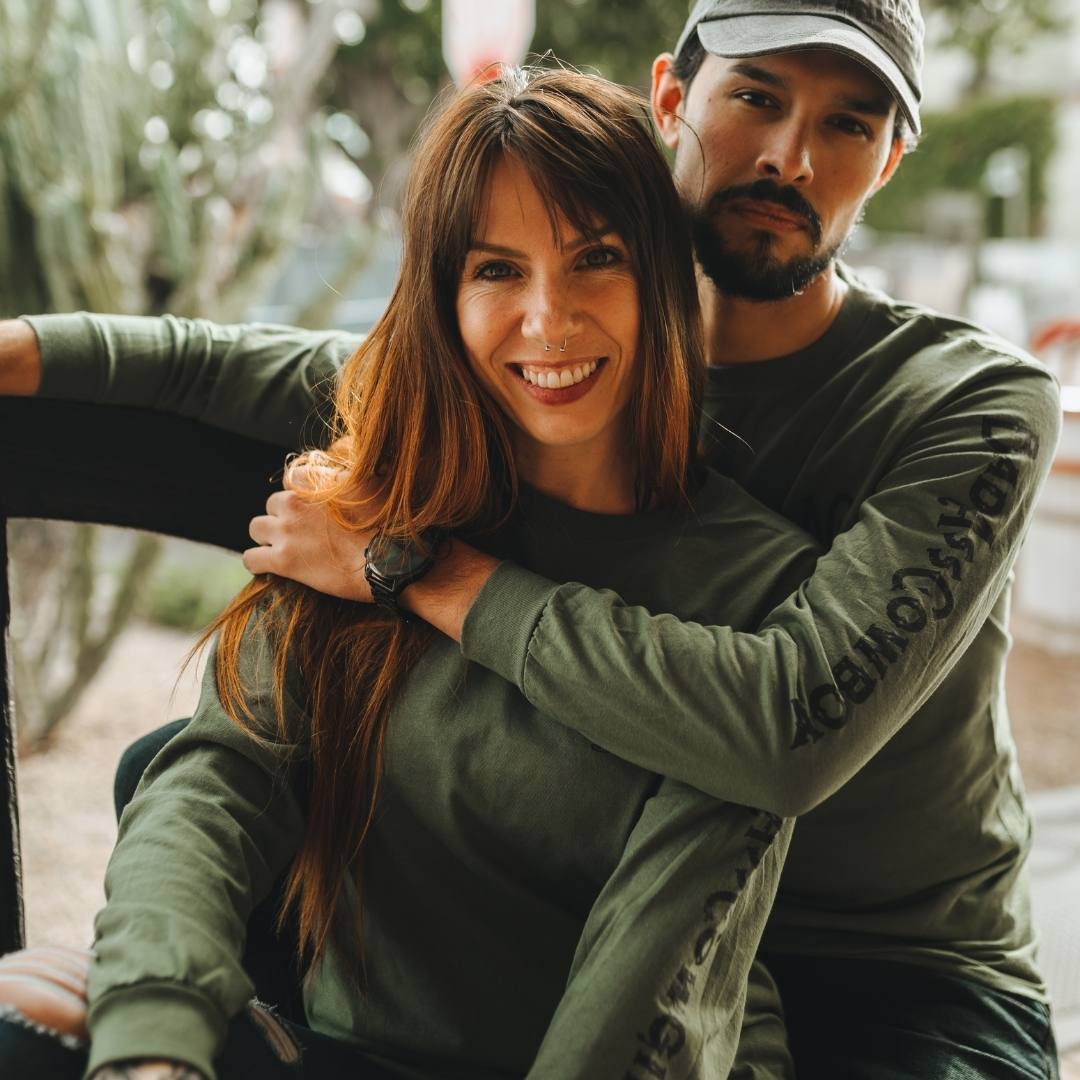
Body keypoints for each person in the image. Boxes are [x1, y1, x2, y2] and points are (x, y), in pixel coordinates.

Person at [0, 1, 1064, 1076]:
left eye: (849, 123)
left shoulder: (970, 403)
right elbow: (253, 364)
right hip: (582, 890)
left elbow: (781, 733)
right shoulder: (559, 358)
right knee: (178, 776)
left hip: (898, 965)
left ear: (890, 159)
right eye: (756, 97)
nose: (789, 154)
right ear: (671, 99)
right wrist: (31, 347)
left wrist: (405, 567)